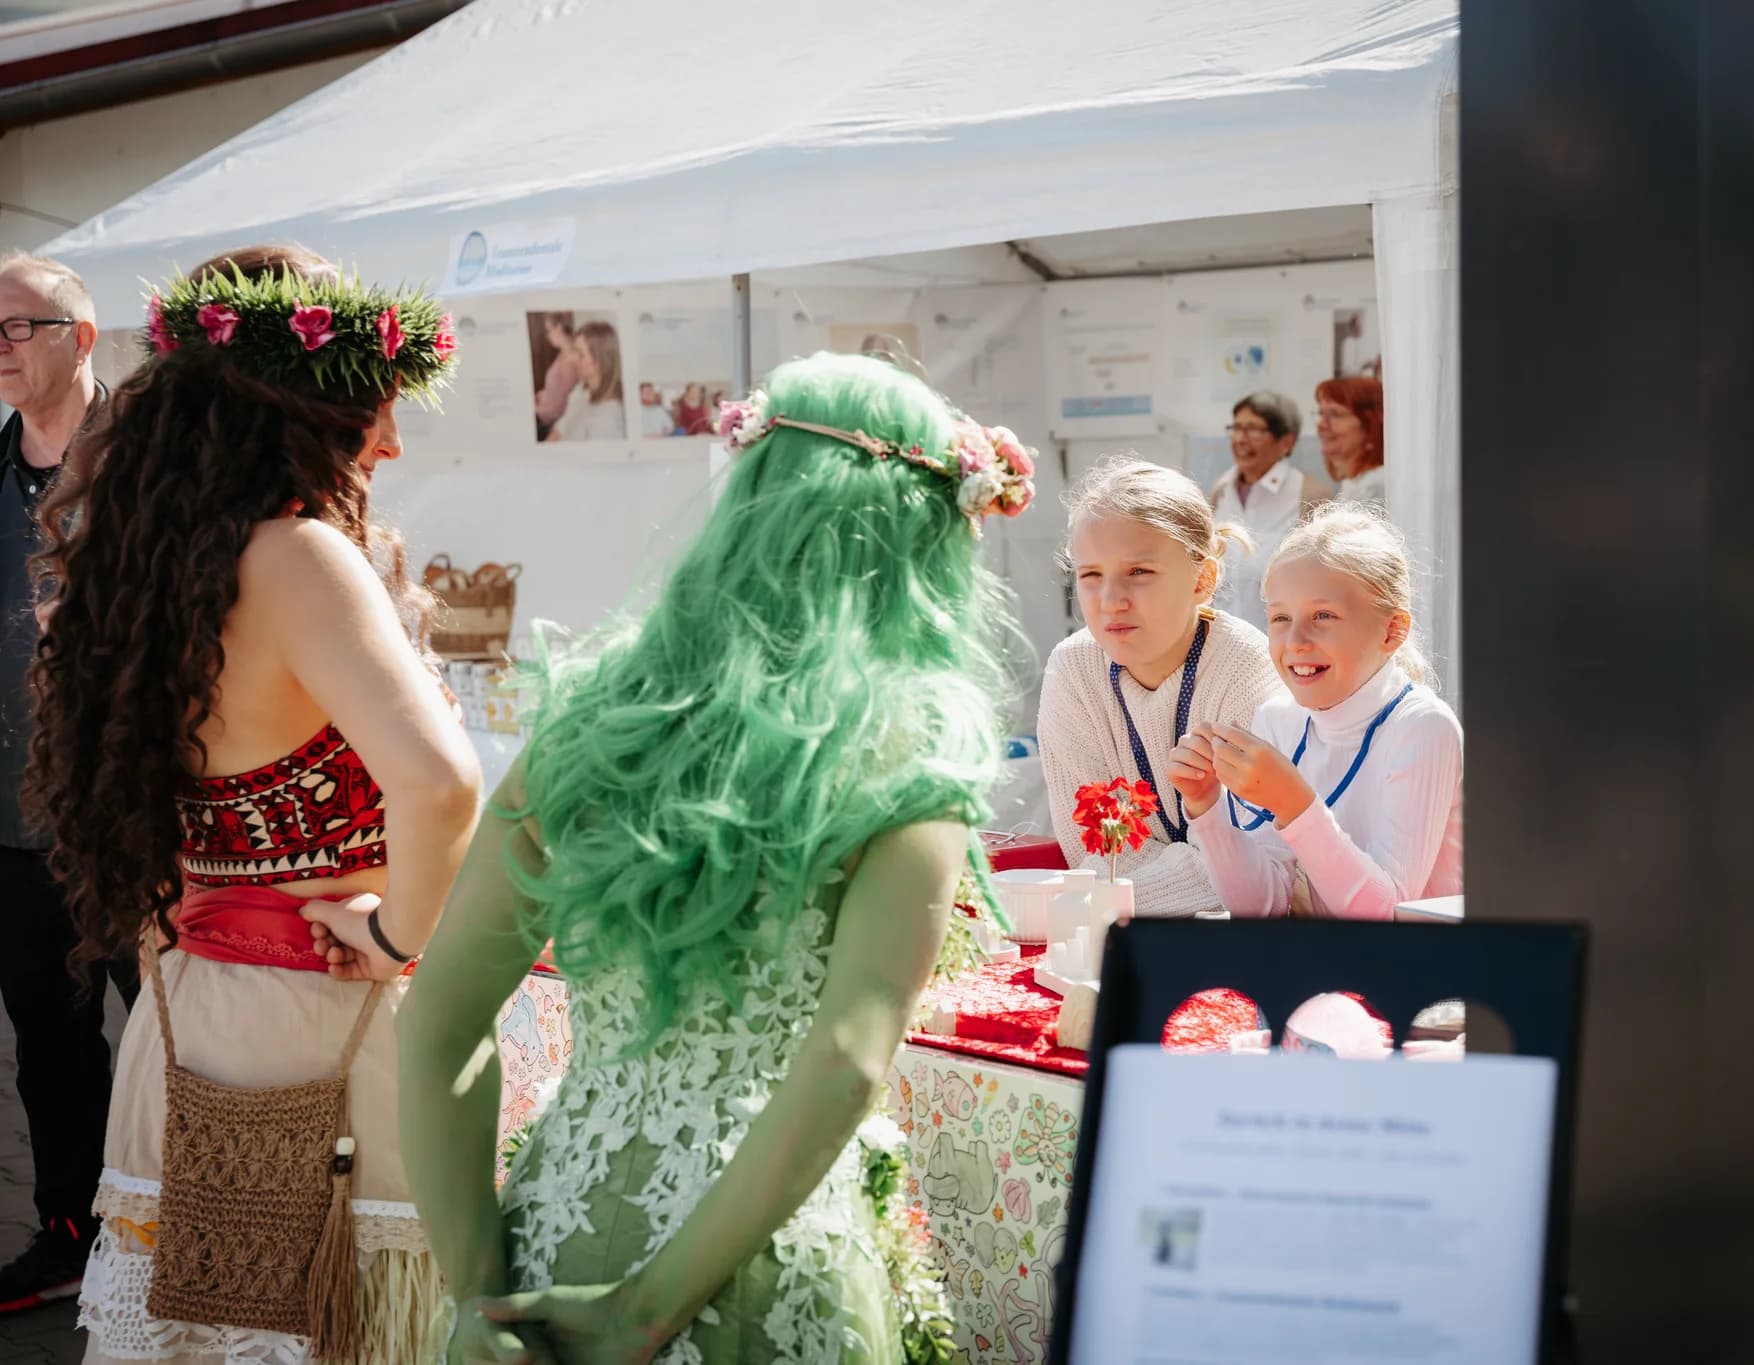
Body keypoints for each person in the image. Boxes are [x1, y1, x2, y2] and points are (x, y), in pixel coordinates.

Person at [397, 352, 1035, 1363]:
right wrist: (643, 1312)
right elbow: (843, 1061)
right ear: (926, 539)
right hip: (765, 1263)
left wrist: (477, 1293)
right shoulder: (913, 747)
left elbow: (436, 1019)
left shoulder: (588, 725)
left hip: (550, 1240)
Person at [28, 243, 479, 1361]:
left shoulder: (135, 561)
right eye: (377, 412)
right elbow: (439, 783)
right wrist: (397, 932)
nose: (392, 442)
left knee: (204, 1319)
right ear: (302, 413)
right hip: (322, 1015)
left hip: (188, 1009)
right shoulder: (299, 556)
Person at [0, 251, 142, 1315]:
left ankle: (193, 1233)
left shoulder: (147, 467)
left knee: (177, 1033)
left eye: (19, 326)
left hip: (137, 818)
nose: (0, 348)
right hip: (13, 820)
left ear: (80, 339)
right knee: (50, 1045)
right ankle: (69, 1233)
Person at [1168, 502, 1462, 919]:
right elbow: (1262, 906)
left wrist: (1294, 803)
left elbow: (1385, 915)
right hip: (1325, 967)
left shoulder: (1422, 727)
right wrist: (1206, 808)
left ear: (1392, 631)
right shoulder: (1277, 718)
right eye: (1281, 617)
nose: (1296, 639)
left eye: (1323, 615)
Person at [1038, 457, 1283, 918]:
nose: (1111, 601)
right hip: (1122, 939)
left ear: (1203, 579)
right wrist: (1187, 868)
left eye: (1139, 572)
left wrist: (1107, 898)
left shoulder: (1247, 670)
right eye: (1090, 575)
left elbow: (1244, 867)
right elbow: (1089, 849)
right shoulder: (1072, 669)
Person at [1207, 390, 1332, 624]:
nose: (1241, 439)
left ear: (1286, 442)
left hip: (1281, 643)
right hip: (1223, 638)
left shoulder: (1310, 494)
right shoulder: (1220, 490)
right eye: (1236, 428)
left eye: (1254, 429)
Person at [546, 321, 625, 443]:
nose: (570, 359)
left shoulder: (607, 416)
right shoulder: (581, 389)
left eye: (580, 354)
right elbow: (560, 429)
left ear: (600, 362)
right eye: (573, 350)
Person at [1316, 375, 1386, 508]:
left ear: (1371, 426)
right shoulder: (1356, 484)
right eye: (1321, 414)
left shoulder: (1374, 488)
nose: (1321, 425)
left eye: (1334, 414)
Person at [532, 313, 578, 440]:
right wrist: (540, 396)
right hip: (542, 412)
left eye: (549, 331)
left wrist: (534, 408)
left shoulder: (570, 360)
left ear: (559, 328)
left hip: (548, 425)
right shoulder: (563, 354)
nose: (547, 336)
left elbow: (559, 409)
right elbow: (555, 390)